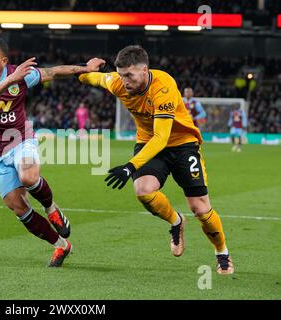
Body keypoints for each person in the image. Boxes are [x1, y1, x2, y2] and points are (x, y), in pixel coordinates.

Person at [79, 45, 234, 274]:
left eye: (129, 75)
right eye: (121, 75)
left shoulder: (163, 87)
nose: (125, 81)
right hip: (148, 141)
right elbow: (93, 78)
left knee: (200, 208)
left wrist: (130, 167)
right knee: (143, 190)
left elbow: (162, 137)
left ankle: (222, 252)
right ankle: (176, 222)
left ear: (145, 70)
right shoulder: (118, 83)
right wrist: (84, 70)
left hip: (181, 144)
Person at [0, 37, 105, 267]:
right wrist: (12, 79)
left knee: (28, 176)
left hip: (20, 139)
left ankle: (52, 210)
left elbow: (54, 72)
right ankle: (61, 245)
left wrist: (85, 68)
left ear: (4, 60)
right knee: (19, 208)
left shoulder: (20, 75)